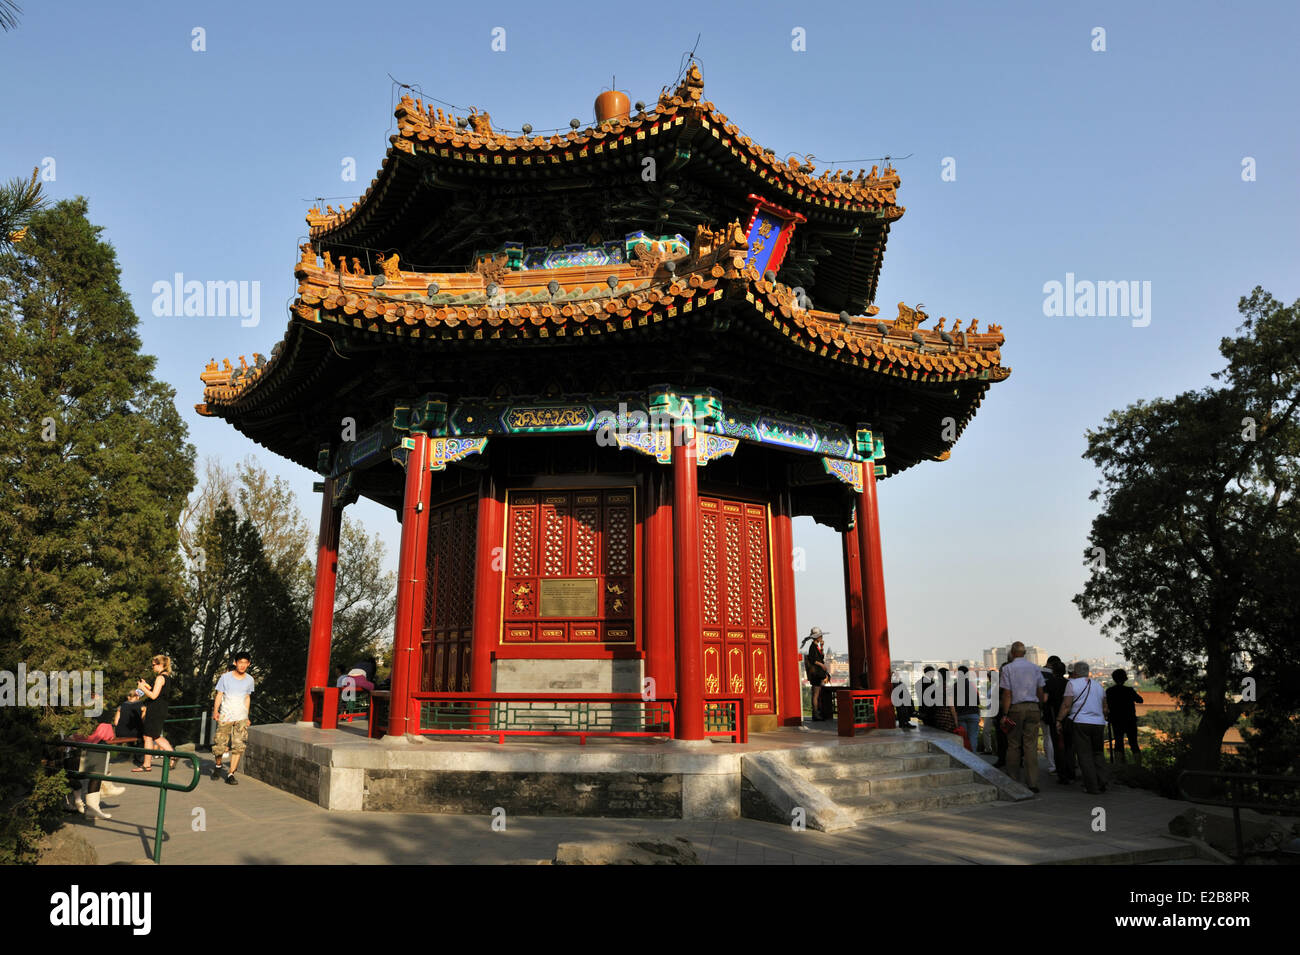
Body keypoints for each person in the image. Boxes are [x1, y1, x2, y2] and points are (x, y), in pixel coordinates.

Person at [999, 642, 1047, 792]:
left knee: (1013, 744)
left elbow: (1007, 693)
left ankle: (1013, 779)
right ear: (1024, 653)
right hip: (1033, 708)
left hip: (1015, 709)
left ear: (1012, 653)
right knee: (1030, 746)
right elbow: (1040, 690)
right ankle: (1032, 782)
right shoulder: (1035, 668)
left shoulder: (1007, 669)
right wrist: (1039, 706)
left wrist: (1005, 714)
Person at [1059, 662, 1110, 794]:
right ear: (1088, 672)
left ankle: (1092, 786)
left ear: (1075, 672)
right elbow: (1105, 708)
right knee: (1098, 753)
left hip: (1080, 722)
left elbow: (1066, 705)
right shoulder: (1098, 685)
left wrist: (1059, 720)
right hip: (1098, 723)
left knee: (1085, 755)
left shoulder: (1071, 684)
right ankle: (1102, 781)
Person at [212, 651, 256, 784]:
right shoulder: (225, 677)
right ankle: (218, 765)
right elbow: (219, 695)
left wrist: (246, 716)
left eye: (245, 663)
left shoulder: (250, 679)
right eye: (240, 662)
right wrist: (215, 711)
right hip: (226, 715)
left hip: (241, 717)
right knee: (220, 745)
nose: (242, 665)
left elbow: (247, 697)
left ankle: (231, 774)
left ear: (248, 664)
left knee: (238, 746)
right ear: (235, 663)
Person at [135, 654, 174, 772]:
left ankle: (147, 764)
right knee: (154, 736)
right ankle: (172, 755)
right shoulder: (166, 677)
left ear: (160, 665)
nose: (152, 667)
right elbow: (158, 693)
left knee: (148, 736)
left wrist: (142, 688)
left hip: (155, 710)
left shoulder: (160, 678)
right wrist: (146, 685)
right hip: (160, 709)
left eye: (154, 665)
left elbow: (153, 696)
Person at [1042, 657, 1071, 782]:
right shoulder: (1068, 683)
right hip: (1067, 716)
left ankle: (1060, 773)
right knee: (1068, 745)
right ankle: (1070, 770)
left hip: (1053, 716)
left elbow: (1044, 699)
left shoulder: (1048, 683)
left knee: (1056, 744)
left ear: (1052, 671)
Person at [1106, 669, 1143, 764]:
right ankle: (1138, 766)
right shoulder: (1129, 690)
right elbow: (1140, 700)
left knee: (1118, 743)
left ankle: (1119, 766)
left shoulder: (1109, 691)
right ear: (1125, 679)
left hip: (1116, 720)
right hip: (1130, 720)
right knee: (1134, 743)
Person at [802, 629, 831, 720]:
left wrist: (822, 647)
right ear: (817, 637)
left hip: (819, 673)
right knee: (816, 694)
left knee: (818, 693)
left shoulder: (817, 646)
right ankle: (815, 714)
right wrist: (822, 665)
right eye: (820, 636)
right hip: (816, 674)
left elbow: (821, 657)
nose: (821, 637)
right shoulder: (812, 647)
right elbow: (813, 660)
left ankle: (818, 713)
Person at [114, 688, 146, 767]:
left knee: (129, 735)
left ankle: (131, 752)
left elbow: (115, 722)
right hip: (134, 732)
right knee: (143, 737)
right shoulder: (141, 705)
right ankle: (139, 756)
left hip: (120, 732)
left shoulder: (121, 706)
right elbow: (143, 720)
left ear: (128, 697)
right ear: (137, 697)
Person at [955, 665, 981, 751]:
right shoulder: (972, 685)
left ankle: (965, 758)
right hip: (973, 714)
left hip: (961, 715)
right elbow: (978, 701)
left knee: (963, 738)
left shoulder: (955, 686)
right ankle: (973, 758)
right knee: (973, 737)